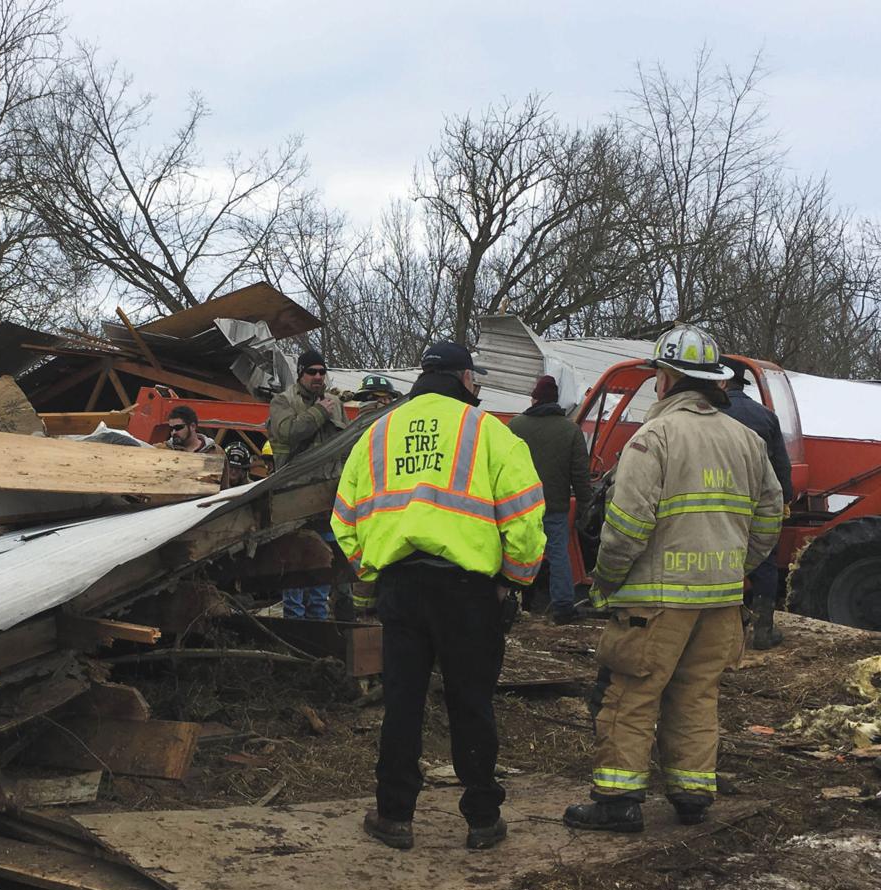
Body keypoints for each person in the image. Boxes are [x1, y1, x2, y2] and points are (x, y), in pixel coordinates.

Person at [563, 324, 783, 834]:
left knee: (632, 695)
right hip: (722, 602)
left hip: (655, 603)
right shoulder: (747, 440)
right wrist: (739, 567)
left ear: (665, 379)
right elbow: (772, 514)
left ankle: (617, 801)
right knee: (697, 695)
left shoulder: (654, 437)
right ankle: (691, 794)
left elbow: (626, 525)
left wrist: (606, 583)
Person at [333, 340, 546, 851]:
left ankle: (394, 816)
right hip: (469, 591)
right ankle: (481, 819)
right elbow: (525, 517)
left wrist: (372, 573)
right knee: (471, 702)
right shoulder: (490, 432)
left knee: (402, 703)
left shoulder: (378, 432)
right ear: (466, 380)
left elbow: (344, 517)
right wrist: (511, 582)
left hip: (401, 588)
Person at [719, 357, 794, 650]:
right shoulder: (764, 415)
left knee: (721, 562)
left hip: (719, 504)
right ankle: (762, 630)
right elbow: (780, 464)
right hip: (758, 503)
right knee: (764, 563)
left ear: (721, 381)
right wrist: (784, 499)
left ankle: (726, 630)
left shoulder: (709, 412)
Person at [508, 375, 594, 625]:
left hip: (520, 505)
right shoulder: (570, 430)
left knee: (516, 551)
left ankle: (513, 602)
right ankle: (563, 607)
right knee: (558, 554)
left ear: (534, 399)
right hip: (554, 506)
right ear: (555, 401)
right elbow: (580, 473)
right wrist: (585, 505)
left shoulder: (515, 426)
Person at [269, 349, 348, 619]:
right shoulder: (282, 401)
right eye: (311, 371)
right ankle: (296, 631)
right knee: (295, 571)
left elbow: (346, 447)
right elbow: (287, 433)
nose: (317, 377)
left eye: (321, 371)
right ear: (301, 374)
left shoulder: (334, 403)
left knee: (322, 571)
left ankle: (320, 630)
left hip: (327, 502)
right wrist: (317, 413)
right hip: (293, 502)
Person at [154, 405, 228, 487]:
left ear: (192, 426)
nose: (174, 432)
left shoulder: (215, 452)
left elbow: (225, 489)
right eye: (171, 429)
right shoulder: (164, 449)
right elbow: (141, 449)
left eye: (178, 427)